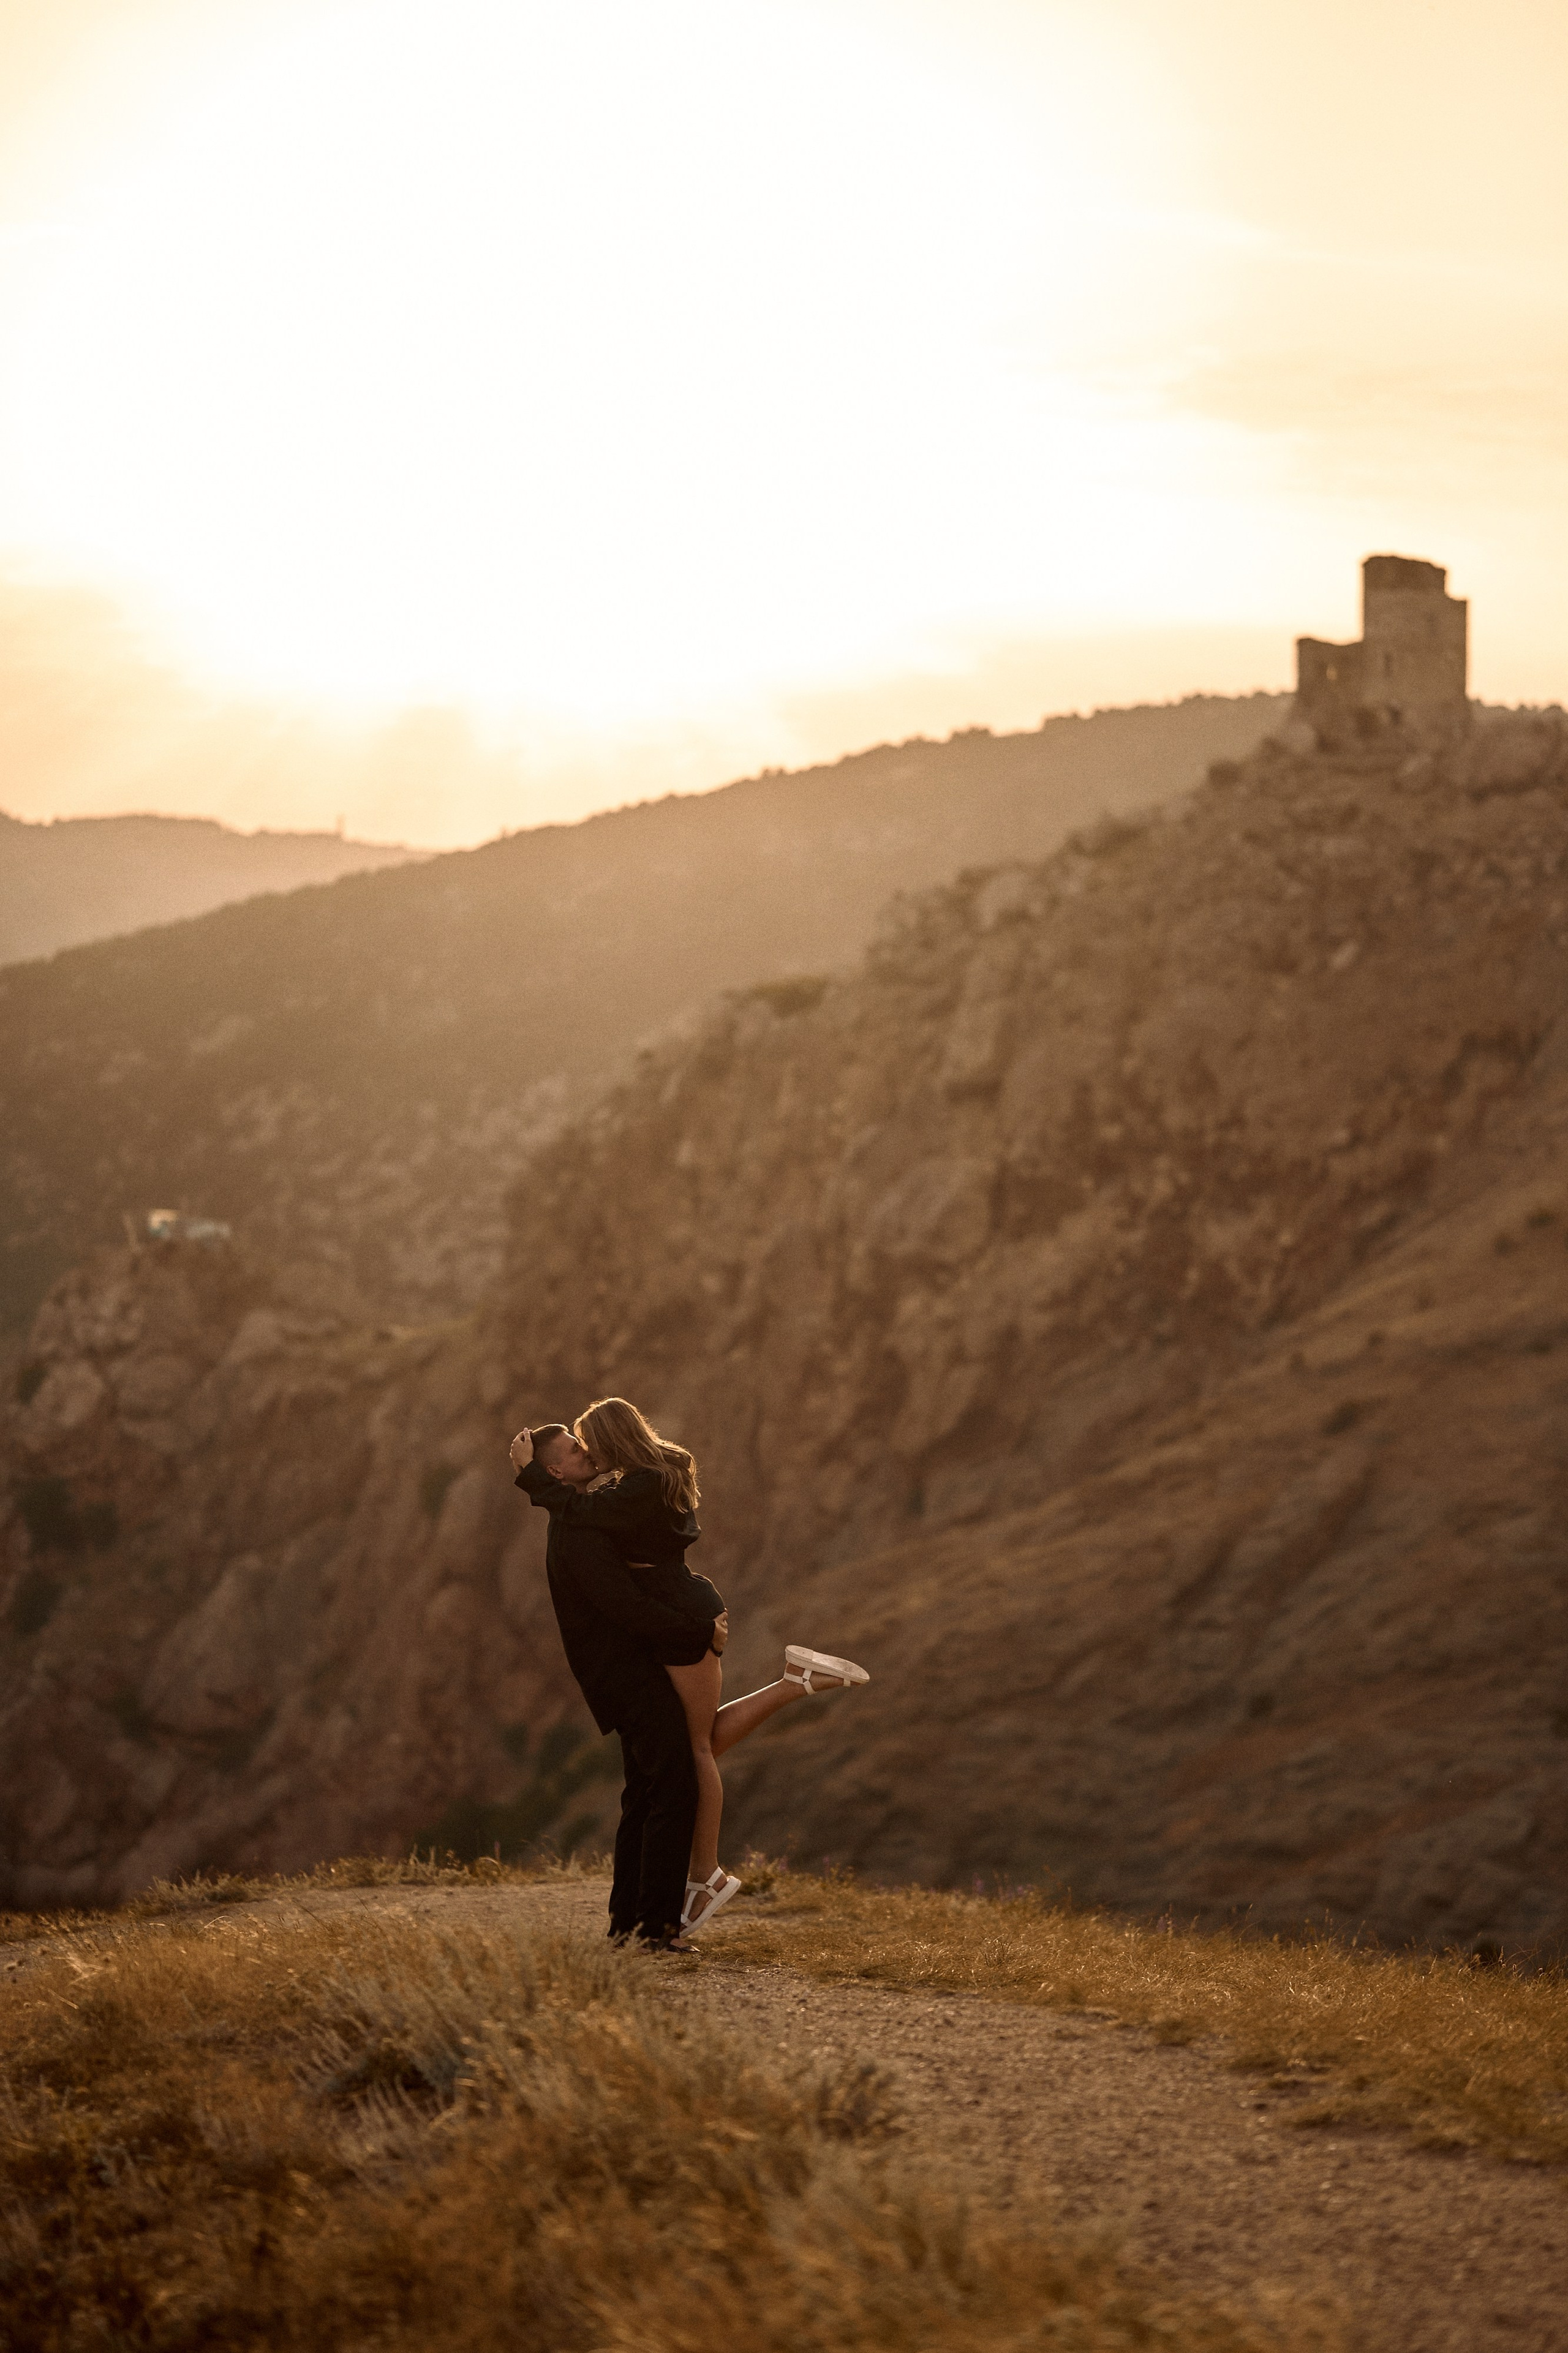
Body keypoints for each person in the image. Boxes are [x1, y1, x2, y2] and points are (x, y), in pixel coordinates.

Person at [511, 1401, 868, 1932]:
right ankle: (657, 1912)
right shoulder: (624, 1492)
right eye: (576, 1447)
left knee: (686, 1758)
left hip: (675, 1626)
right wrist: (538, 1477)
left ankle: (687, 1891)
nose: (588, 1451)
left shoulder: (631, 1490)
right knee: (679, 1761)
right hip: (664, 1633)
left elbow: (596, 1543)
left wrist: (532, 1477)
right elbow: (598, 1552)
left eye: (588, 1441)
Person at [511, 1420, 718, 1952]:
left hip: (622, 1672)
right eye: (575, 1449)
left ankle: (629, 1927)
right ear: (557, 1471)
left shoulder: (582, 1515)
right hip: (625, 1675)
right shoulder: (578, 1530)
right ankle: (657, 1930)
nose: (587, 1452)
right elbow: (625, 1607)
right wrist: (698, 1631)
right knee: (673, 1789)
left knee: (644, 1795)